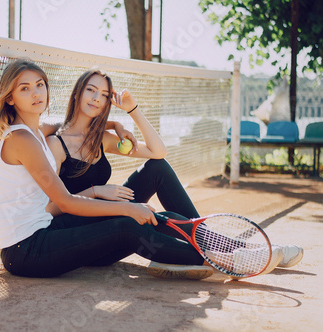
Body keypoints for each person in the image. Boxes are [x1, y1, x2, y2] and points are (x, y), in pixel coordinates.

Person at [45, 68, 303, 271]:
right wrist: (97, 190)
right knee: (162, 217)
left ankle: (235, 248)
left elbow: (158, 152)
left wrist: (131, 111)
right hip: (86, 234)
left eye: (103, 95)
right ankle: (234, 254)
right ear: (77, 93)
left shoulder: (101, 139)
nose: (96, 98)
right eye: (91, 90)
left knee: (157, 168)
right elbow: (51, 209)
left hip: (111, 210)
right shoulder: (55, 144)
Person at [0, 58, 218, 280]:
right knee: (127, 225)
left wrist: (115, 123)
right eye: (25, 89)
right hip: (24, 248)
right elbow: (65, 202)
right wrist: (125, 207)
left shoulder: (38, 130)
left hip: (45, 227)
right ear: (10, 98)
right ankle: (212, 260)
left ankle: (215, 247)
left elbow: (69, 125)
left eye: (40, 85)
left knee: (159, 218)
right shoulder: (21, 139)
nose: (36, 93)